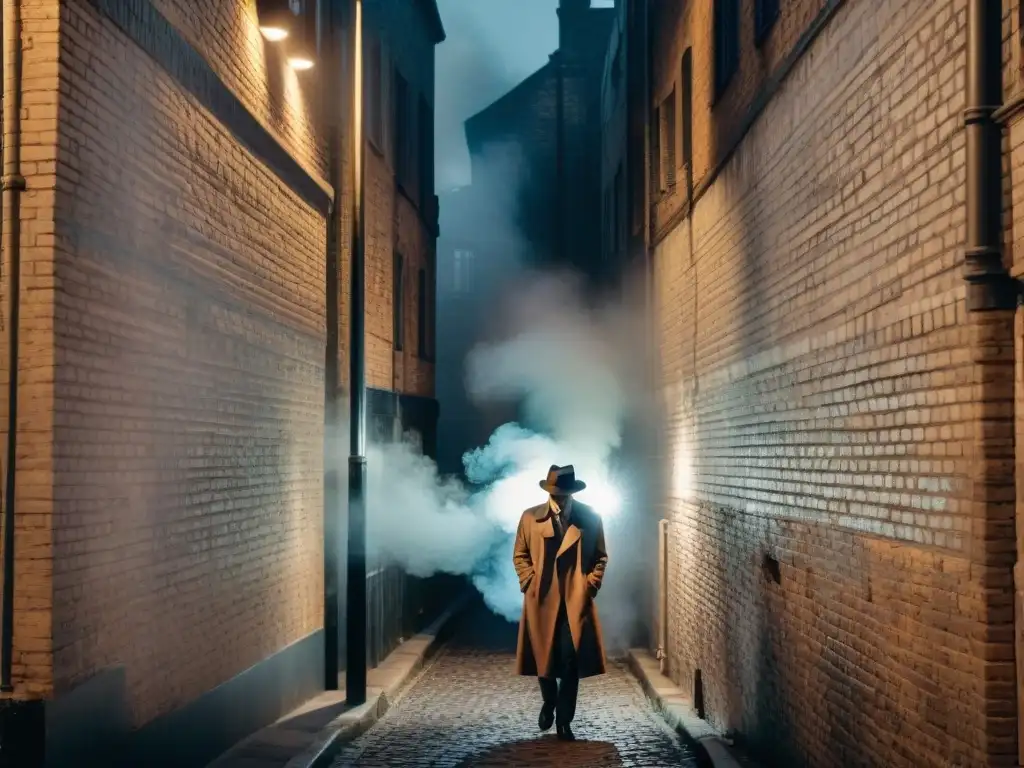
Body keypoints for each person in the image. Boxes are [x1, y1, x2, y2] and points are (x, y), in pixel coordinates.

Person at [512, 464, 608, 741]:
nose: (561, 498)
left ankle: (564, 720)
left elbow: (600, 556)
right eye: (557, 493)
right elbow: (520, 554)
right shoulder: (530, 518)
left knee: (570, 662)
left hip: (574, 599)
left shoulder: (589, 517)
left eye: (565, 493)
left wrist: (590, 584)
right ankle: (549, 701)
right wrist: (529, 581)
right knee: (543, 658)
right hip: (541, 598)